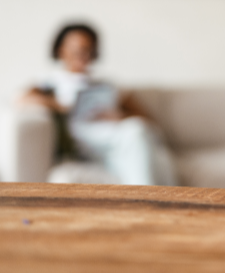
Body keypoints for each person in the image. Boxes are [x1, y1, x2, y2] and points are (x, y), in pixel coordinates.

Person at [21, 23, 177, 186]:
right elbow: (21, 100)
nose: (84, 55)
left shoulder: (107, 85)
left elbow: (148, 120)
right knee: (136, 134)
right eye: (78, 50)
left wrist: (121, 116)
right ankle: (148, 197)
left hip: (117, 136)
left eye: (89, 50)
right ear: (61, 50)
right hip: (84, 140)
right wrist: (58, 105)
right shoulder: (50, 81)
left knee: (138, 131)